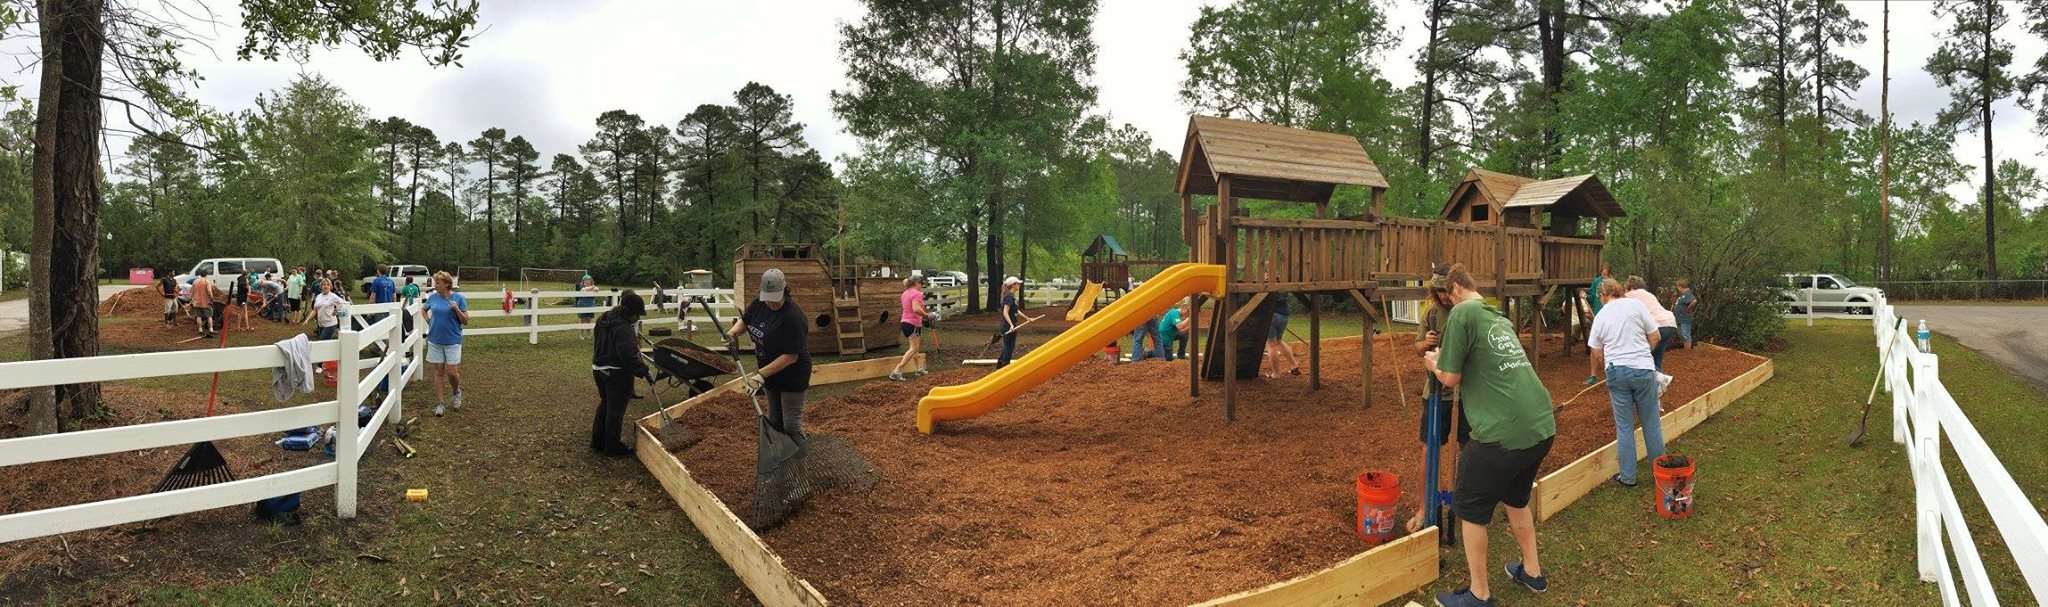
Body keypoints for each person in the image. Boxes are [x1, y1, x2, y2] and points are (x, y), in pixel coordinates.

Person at [1421, 263, 1557, 607]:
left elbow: (1449, 378)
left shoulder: (1463, 313)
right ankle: (1532, 571)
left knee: (1469, 508)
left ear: (1454, 288)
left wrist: (1432, 363)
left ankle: (1479, 594)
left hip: (1503, 434)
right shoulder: (1497, 316)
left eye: (1445, 293)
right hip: (1540, 426)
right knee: (1516, 499)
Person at [725, 269, 813, 519]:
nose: (771, 302)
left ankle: (803, 478)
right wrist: (733, 333)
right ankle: (782, 467)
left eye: (775, 297)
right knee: (774, 422)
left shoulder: (794, 317)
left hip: (792, 375)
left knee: (791, 425)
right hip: (769, 374)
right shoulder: (760, 303)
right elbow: (746, 320)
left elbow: (791, 356)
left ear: (785, 290)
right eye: (768, 297)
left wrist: (760, 375)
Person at [1406, 264, 1473, 534]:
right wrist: (1426, 343)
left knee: (1469, 448)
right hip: (1435, 393)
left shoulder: (1466, 311)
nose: (1444, 297)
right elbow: (1418, 347)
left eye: (1447, 291)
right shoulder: (1431, 313)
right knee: (1429, 448)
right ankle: (1424, 506)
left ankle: (1466, 503)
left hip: (1464, 393)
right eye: (1439, 292)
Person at [1588, 279, 1664, 488]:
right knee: (1651, 422)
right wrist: (1642, 356)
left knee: (1624, 427)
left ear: (1604, 295)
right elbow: (1655, 336)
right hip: (1642, 370)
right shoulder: (1636, 305)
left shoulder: (1601, 315)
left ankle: (1628, 477)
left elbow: (1595, 351)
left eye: (1599, 297)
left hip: (1616, 372)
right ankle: (1660, 473)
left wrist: (1609, 365)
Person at [589, 290, 650, 456]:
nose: (638, 318)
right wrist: (642, 370)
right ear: (629, 312)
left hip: (599, 369)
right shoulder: (623, 329)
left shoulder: (604, 318)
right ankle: (613, 446)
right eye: (637, 314)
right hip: (617, 373)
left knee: (605, 403)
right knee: (616, 409)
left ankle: (598, 441)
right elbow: (628, 355)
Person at [423, 271, 470, 416]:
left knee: (452, 373)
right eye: (435, 282)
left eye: (438, 282)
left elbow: (466, 321)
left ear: (447, 284)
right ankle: (440, 403)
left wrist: (456, 309)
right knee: (438, 372)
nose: (435, 285)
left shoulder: (459, 298)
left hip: (452, 340)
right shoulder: (432, 298)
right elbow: (423, 310)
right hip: (435, 339)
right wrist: (429, 321)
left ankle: (456, 392)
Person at [1624, 276, 1679, 374]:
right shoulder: (1649, 295)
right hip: (1670, 323)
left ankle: (1660, 379)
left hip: (1656, 326)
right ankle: (1657, 385)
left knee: (1642, 356)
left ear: (1631, 287)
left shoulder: (1629, 295)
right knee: (1657, 356)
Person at [995, 276, 1043, 369]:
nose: (1019, 285)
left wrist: (1027, 318)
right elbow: (1005, 312)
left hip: (1008, 324)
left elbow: (1016, 310)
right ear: (1013, 285)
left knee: (1007, 346)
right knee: (1010, 347)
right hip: (1007, 325)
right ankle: (1005, 368)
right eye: (1017, 284)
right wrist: (1011, 325)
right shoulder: (1009, 296)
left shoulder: (1011, 296)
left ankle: (999, 365)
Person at [890, 276, 931, 381]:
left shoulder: (905, 293)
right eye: (921, 283)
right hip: (912, 323)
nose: (922, 285)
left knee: (915, 348)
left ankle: (917, 368)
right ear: (917, 283)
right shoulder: (916, 293)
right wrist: (928, 316)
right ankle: (897, 370)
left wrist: (923, 317)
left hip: (907, 322)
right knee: (914, 348)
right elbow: (916, 309)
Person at [1582, 263, 1613, 386]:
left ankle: (1610, 374)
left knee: (1609, 345)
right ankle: (1593, 375)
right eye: (1602, 274)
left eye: (1606, 274)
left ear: (1610, 274)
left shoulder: (1613, 284)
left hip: (1610, 317)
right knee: (1595, 345)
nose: (1604, 276)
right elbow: (1592, 297)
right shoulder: (1596, 282)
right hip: (1597, 316)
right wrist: (1585, 295)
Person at [1264, 297, 1300, 377]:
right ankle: (1294, 365)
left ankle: (1276, 373)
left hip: (1273, 315)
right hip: (1284, 315)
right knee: (1278, 341)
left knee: (1271, 344)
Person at [191, 269, 217, 338]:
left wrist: (193, 300)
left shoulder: (195, 281)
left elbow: (192, 292)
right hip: (205, 302)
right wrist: (211, 297)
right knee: (209, 316)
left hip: (196, 302)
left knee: (198, 316)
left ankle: (200, 330)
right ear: (206, 274)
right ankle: (211, 330)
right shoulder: (206, 281)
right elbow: (209, 291)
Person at [1674, 279, 1698, 350]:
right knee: (1681, 335)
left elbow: (1694, 301)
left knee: (1686, 334)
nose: (1677, 289)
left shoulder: (1687, 293)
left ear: (1680, 286)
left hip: (1684, 318)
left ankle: (1688, 351)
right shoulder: (1682, 295)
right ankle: (1686, 350)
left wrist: (1689, 308)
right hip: (1678, 318)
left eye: (1677, 287)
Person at [399, 275, 422, 339]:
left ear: (406, 281)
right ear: (412, 281)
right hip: (414, 305)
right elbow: (417, 296)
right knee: (413, 320)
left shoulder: (405, 288)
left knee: (406, 320)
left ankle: (409, 333)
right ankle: (413, 333)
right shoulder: (415, 288)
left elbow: (402, 298)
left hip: (407, 306)